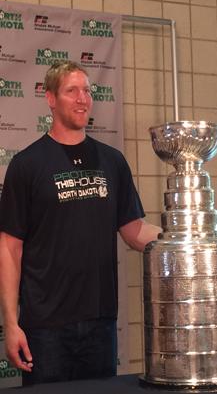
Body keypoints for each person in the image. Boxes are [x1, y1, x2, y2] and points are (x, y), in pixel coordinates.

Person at [0, 61, 161, 385]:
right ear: (50, 98)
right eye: (71, 91)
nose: (82, 99)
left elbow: (134, 232)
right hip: (45, 327)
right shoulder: (26, 164)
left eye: (87, 90)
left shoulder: (112, 161)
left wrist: (186, 237)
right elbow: (9, 247)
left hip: (100, 322)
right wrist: (11, 323)